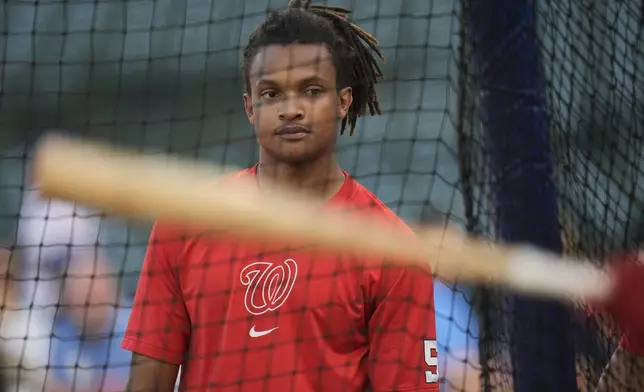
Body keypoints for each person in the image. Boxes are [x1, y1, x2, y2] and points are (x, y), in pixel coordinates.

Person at [121, 1, 439, 391]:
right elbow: (148, 380)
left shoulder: (393, 250)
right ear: (249, 106)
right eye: (271, 94)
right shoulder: (185, 221)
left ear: (343, 101)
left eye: (311, 90)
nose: (291, 110)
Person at [15, 158, 133, 391]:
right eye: (81, 299)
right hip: (41, 300)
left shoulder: (135, 328)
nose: (88, 301)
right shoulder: (60, 335)